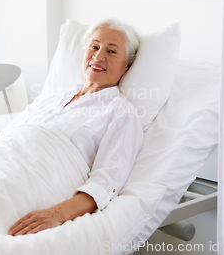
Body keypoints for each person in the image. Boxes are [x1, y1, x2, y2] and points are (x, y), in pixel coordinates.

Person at [8, 18, 144, 236]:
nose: (98, 56)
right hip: (0, 165)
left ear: (126, 66)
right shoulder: (54, 98)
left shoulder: (121, 113)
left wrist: (57, 214)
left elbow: (106, 182)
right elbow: (11, 135)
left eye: (111, 51)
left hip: (31, 184)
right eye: (94, 46)